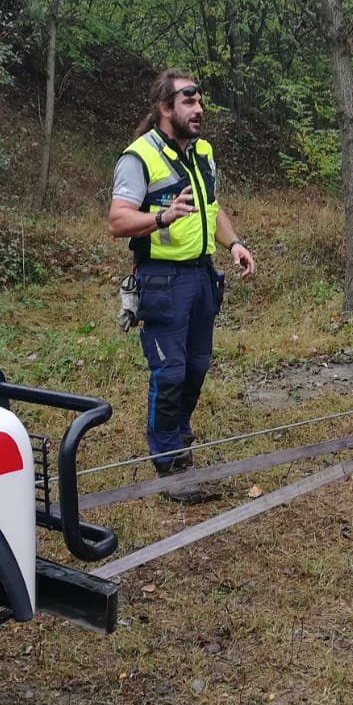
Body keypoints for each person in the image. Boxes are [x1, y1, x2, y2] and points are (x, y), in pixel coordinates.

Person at [108, 71, 256, 501]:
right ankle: (170, 467)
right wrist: (160, 218)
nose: (199, 110)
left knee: (196, 367)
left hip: (202, 276)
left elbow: (213, 206)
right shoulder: (138, 158)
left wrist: (235, 243)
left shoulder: (202, 152)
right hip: (161, 279)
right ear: (165, 107)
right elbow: (118, 221)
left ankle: (178, 441)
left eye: (200, 101)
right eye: (188, 102)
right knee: (169, 374)